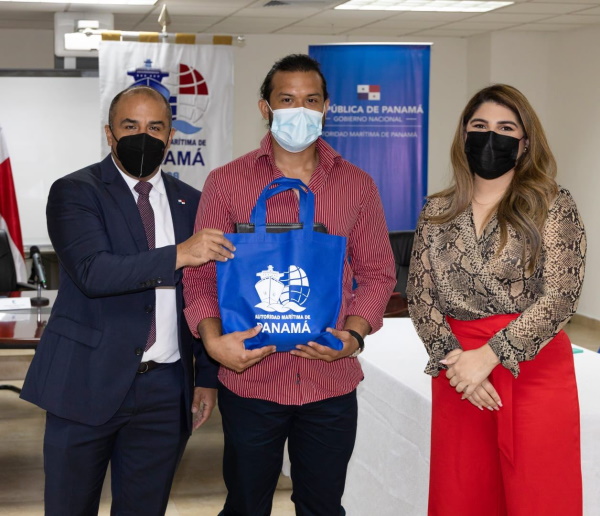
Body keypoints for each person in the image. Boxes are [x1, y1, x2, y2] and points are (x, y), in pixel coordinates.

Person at [183, 54, 396, 516]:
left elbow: (378, 272)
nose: (300, 110)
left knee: (322, 506)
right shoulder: (226, 183)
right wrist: (213, 343)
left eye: (311, 100)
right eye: (287, 99)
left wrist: (354, 336)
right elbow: (200, 276)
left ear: (326, 108)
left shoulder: (357, 185)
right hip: (251, 380)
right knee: (246, 505)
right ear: (265, 108)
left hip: (329, 380)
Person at [20, 85, 235, 516]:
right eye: (130, 126)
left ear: (171, 136)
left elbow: (204, 292)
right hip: (85, 381)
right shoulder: (76, 191)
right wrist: (179, 254)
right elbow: (93, 272)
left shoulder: (192, 202)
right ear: (109, 133)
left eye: (155, 127)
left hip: (165, 389)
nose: (143, 136)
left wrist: (208, 377)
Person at [407, 84, 586, 516]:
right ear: (464, 135)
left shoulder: (552, 204)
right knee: (463, 493)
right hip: (458, 372)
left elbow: (561, 296)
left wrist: (489, 356)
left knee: (539, 494)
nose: (492, 137)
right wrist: (457, 363)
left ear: (524, 143)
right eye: (480, 126)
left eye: (506, 128)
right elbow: (419, 294)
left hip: (533, 368)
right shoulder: (436, 210)